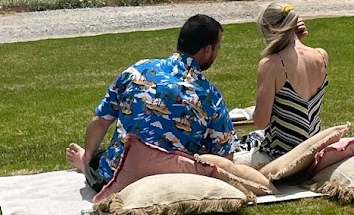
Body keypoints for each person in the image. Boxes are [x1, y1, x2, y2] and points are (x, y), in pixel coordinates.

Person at [66, 14, 236, 189]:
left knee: (99, 156)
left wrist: (87, 160)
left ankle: (84, 161)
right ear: (208, 50)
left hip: (116, 178)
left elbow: (100, 121)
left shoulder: (137, 70)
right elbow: (225, 157)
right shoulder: (210, 95)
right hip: (172, 181)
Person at [235, 2, 329, 165]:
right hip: (313, 147)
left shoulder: (271, 64)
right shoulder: (321, 56)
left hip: (282, 154)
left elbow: (261, 121)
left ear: (270, 29)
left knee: (230, 150)